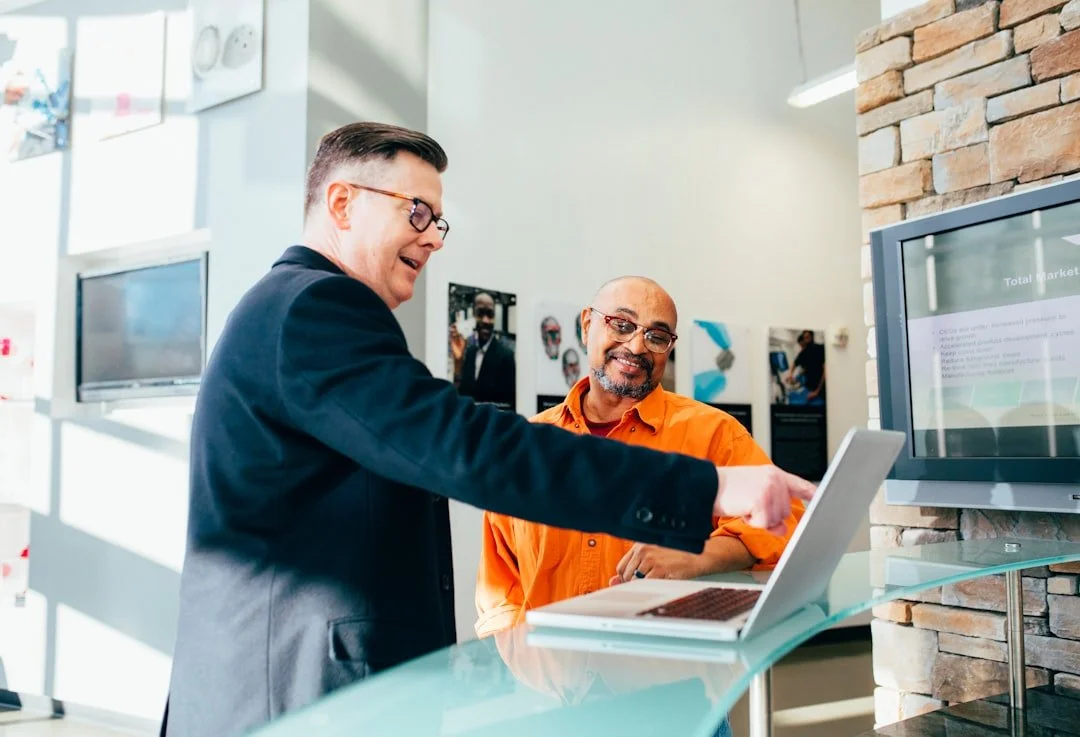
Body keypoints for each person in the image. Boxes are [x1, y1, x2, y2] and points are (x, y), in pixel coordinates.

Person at [160, 122, 815, 737]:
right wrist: (707, 490)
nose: (435, 237)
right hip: (293, 693)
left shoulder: (300, 310)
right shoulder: (314, 308)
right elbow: (469, 447)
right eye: (416, 211)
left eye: (438, 219)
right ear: (341, 204)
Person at [475, 277, 804, 637]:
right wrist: (521, 668)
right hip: (550, 680)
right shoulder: (529, 445)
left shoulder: (714, 433)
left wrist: (696, 556)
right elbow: (499, 588)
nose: (636, 346)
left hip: (666, 674)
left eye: (657, 336)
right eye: (622, 324)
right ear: (587, 325)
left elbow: (786, 524)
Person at [456, 291, 516, 409]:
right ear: (473, 314)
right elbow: (462, 394)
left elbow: (509, 404)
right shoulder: (469, 352)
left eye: (490, 314)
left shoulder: (506, 356)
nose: (485, 320)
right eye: (480, 313)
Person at [788, 329, 826, 404]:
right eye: (804, 337)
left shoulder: (820, 348)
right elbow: (795, 363)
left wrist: (817, 392)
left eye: (808, 337)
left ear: (812, 337)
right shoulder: (803, 352)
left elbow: (825, 372)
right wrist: (790, 374)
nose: (806, 339)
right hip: (810, 388)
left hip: (820, 390)